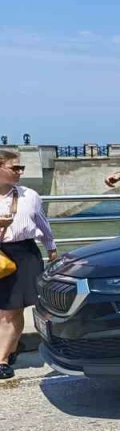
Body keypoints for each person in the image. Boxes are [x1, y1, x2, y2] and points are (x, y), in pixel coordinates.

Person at [0, 151, 57, 379]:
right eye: (15, 168)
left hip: (23, 254)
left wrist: (51, 248)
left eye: (21, 168)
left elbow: (42, 223)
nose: (20, 172)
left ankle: (2, 359)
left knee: (11, 310)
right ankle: (11, 347)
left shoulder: (29, 195)